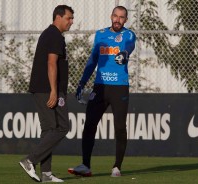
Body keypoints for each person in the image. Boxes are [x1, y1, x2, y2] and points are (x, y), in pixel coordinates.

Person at [68, 6, 136, 177]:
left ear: (125, 20)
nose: (118, 20)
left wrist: (125, 53)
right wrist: (82, 82)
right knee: (89, 124)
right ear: (111, 16)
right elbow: (93, 60)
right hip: (100, 87)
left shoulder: (128, 35)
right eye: (115, 16)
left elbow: (129, 46)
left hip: (119, 87)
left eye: (122, 17)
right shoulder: (100, 34)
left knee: (120, 127)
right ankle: (85, 165)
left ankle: (117, 167)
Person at [19, 5, 74, 183]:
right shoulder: (54, 35)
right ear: (58, 17)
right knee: (61, 127)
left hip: (46, 88)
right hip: (47, 89)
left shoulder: (52, 35)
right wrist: (53, 91)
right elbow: (51, 64)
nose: (71, 22)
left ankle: (46, 174)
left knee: (49, 130)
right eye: (68, 18)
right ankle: (30, 160)